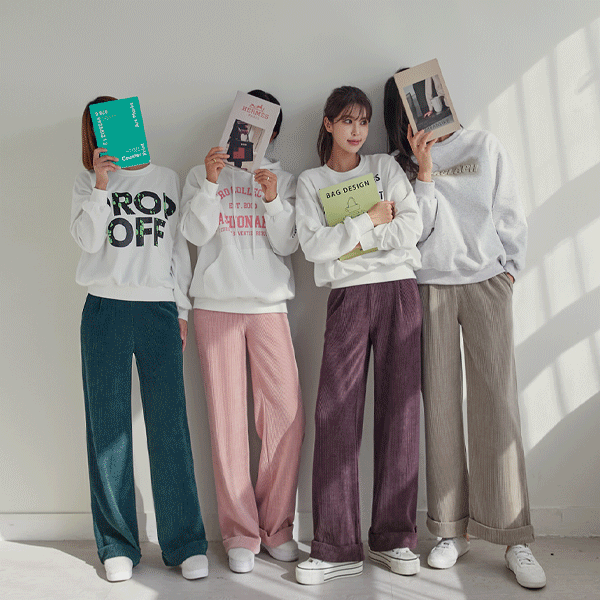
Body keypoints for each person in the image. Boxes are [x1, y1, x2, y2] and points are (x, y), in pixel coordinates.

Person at [383, 72, 547, 590]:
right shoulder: (401, 166)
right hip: (430, 287)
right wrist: (424, 170)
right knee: (439, 408)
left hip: (486, 284)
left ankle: (513, 536)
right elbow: (417, 232)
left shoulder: (484, 145)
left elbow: (509, 212)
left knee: (497, 404)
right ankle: (450, 529)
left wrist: (509, 272)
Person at [71, 96, 208, 583]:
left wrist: (182, 310)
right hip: (104, 308)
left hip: (157, 309)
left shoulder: (166, 178)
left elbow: (177, 250)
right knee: (108, 428)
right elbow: (88, 241)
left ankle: (185, 542)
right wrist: (100, 185)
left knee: (170, 426)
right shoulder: (87, 183)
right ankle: (117, 543)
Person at [294, 86, 423, 585]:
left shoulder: (385, 168)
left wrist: (350, 236)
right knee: (335, 416)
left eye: (364, 122)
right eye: (347, 120)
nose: (356, 131)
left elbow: (410, 228)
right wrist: (369, 219)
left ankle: (394, 539)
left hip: (398, 290)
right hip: (347, 297)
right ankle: (335, 547)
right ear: (328, 123)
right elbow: (314, 248)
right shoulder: (311, 182)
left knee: (400, 413)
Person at [180, 90, 304, 574]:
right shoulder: (202, 174)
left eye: (262, 127)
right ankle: (239, 532)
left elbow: (289, 244)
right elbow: (194, 234)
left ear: (273, 133)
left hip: (268, 306)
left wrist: (272, 200)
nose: (252, 134)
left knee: (284, 416)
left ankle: (277, 527)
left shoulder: (283, 179)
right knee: (227, 422)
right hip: (216, 305)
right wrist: (211, 183)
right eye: (245, 124)